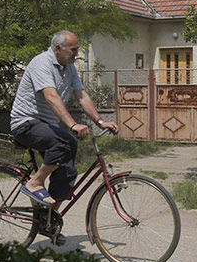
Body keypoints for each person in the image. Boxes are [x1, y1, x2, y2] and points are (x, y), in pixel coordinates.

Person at [10, 30, 118, 207]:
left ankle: (49, 218)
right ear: (58, 49)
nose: (77, 54)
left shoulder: (69, 68)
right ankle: (35, 182)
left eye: (77, 50)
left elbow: (81, 95)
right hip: (25, 123)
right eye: (73, 50)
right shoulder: (41, 63)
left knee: (67, 170)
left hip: (46, 126)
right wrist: (72, 124)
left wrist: (100, 121)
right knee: (65, 141)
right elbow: (51, 96)